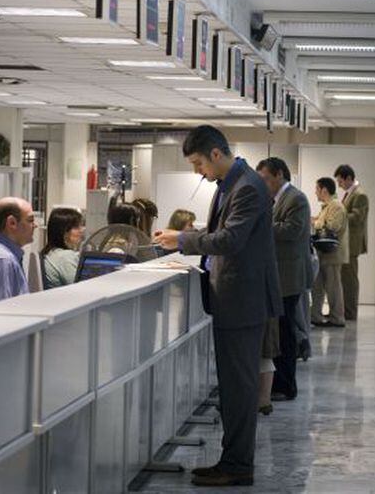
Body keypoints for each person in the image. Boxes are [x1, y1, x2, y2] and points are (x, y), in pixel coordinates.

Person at [154, 125, 282, 488]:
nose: (198, 172)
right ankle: (231, 458)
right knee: (232, 386)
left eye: (198, 164)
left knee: (239, 389)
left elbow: (231, 239)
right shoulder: (233, 183)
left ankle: (238, 465)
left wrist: (182, 239)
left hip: (243, 300)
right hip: (234, 300)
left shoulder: (247, 187)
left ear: (215, 154)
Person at [256, 157, 313, 402]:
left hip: (289, 277)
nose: (264, 184)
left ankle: (286, 386)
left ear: (279, 175)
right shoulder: (276, 199)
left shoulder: (296, 198)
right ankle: (277, 384)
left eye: (266, 179)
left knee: (285, 332)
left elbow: (292, 230)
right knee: (279, 330)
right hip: (278, 276)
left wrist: (260, 224)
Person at [311, 177, 349, 328]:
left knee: (333, 288)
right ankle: (316, 316)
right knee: (318, 286)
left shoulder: (337, 206)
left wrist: (316, 222)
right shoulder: (328, 206)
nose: (315, 193)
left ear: (324, 190)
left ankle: (337, 318)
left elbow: (332, 226)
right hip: (324, 254)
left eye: (317, 189)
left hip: (332, 255)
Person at [334, 164, 369, 321]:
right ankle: (345, 311)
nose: (339, 185)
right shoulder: (350, 194)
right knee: (345, 279)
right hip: (347, 243)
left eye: (340, 181)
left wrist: (339, 215)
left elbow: (357, 218)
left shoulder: (360, 195)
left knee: (349, 280)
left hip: (352, 244)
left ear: (349, 178)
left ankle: (350, 313)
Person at [42, 208, 84, 289]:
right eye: (76, 227)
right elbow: (81, 289)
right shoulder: (65, 257)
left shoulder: (49, 253)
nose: (81, 230)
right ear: (63, 232)